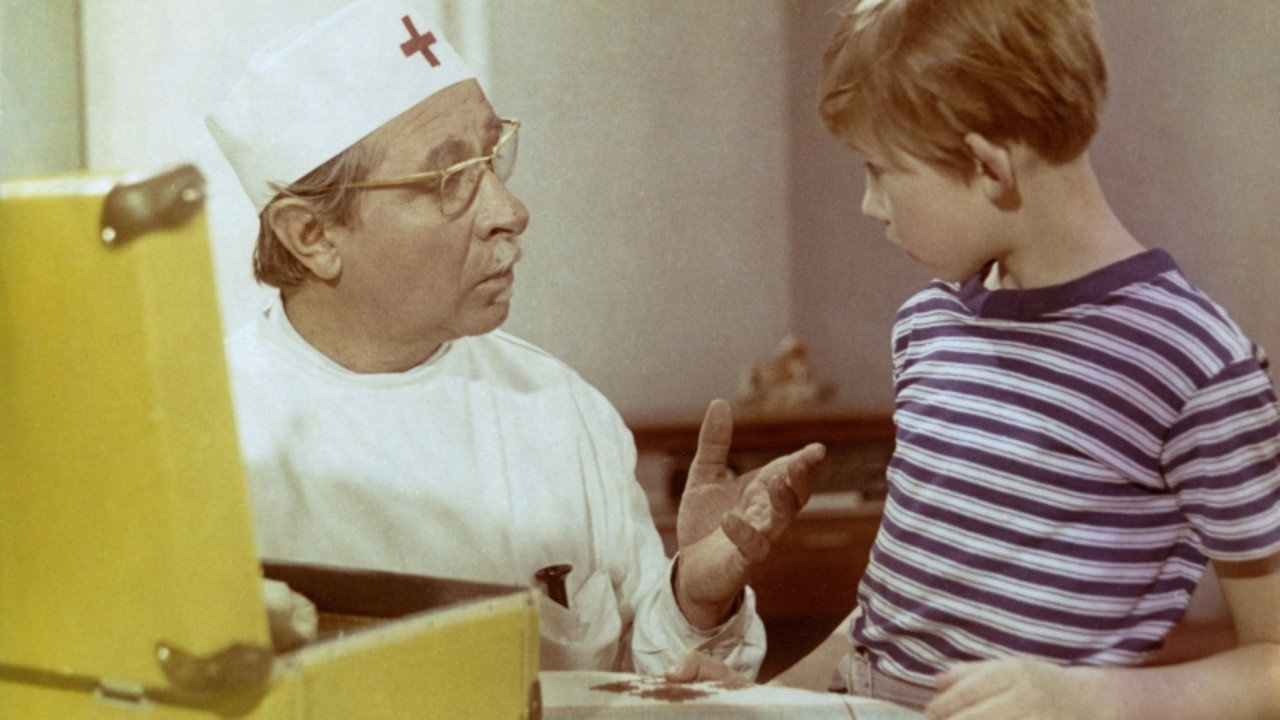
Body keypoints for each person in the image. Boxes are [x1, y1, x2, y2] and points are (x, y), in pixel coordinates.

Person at [669, 0, 1280, 716]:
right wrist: (764, 704)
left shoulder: (1197, 366)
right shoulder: (928, 326)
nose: (870, 204)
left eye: (878, 170)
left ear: (989, 167)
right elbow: (886, 634)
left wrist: (1090, 700)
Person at [205, 0, 824, 676]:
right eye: (448, 179)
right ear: (313, 236)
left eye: (494, 158)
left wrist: (695, 601)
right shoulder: (204, 437)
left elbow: (643, 681)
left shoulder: (561, 410)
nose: (510, 211)